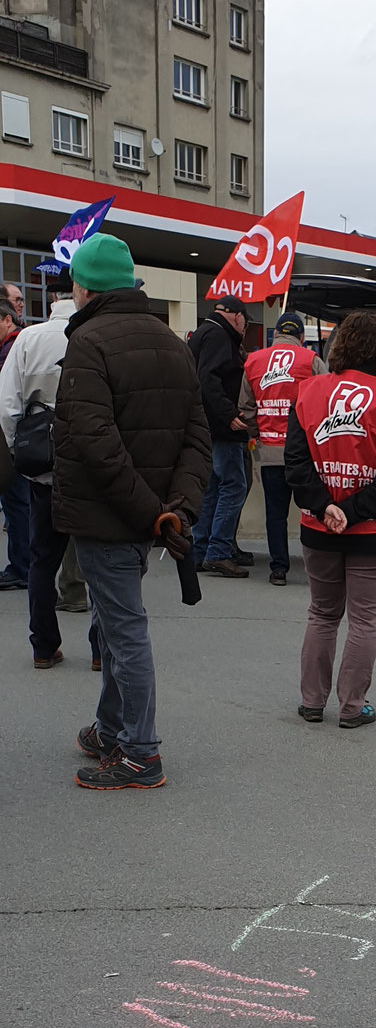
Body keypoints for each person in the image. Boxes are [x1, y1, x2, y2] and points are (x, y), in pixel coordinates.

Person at [52, 231, 211, 788]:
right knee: (115, 622)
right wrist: (174, 510)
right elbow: (198, 437)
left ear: (86, 287)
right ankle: (111, 727)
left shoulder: (88, 342)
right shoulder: (171, 341)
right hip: (147, 514)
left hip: (109, 515)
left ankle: (140, 751)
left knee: (123, 631)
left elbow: (94, 441)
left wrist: (154, 513)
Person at [285, 309, 376, 728]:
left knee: (322, 613)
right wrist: (354, 511)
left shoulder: (308, 392)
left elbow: (296, 463)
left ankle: (310, 701)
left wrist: (326, 507)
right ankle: (352, 707)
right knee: (364, 618)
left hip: (318, 525)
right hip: (375, 528)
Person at [0, 267, 101, 668]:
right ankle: (99, 649)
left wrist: (18, 452)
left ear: (51, 297)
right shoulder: (95, 336)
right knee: (96, 561)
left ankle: (44, 646)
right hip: (92, 465)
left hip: (42, 467)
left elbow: (7, 407)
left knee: (43, 558)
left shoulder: (28, 338)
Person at [238, 310, 326, 586]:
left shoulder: (254, 361)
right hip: (304, 453)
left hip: (269, 451)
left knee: (275, 513)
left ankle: (279, 568)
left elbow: (245, 408)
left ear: (275, 334)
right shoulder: (311, 360)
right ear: (301, 336)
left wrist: (258, 430)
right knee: (312, 509)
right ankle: (319, 566)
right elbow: (325, 402)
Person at [188, 294, 250, 577]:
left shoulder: (205, 332)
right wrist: (229, 414)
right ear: (238, 317)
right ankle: (219, 551)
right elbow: (208, 379)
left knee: (212, 487)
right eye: (245, 324)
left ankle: (202, 550)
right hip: (222, 427)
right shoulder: (219, 336)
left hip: (204, 426)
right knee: (234, 485)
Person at [0, 283, 29, 590]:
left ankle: (22, 565)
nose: (20, 305)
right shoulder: (14, 343)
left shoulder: (14, 345)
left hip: (12, 440)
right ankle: (23, 563)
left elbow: (9, 399)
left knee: (17, 504)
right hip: (17, 438)